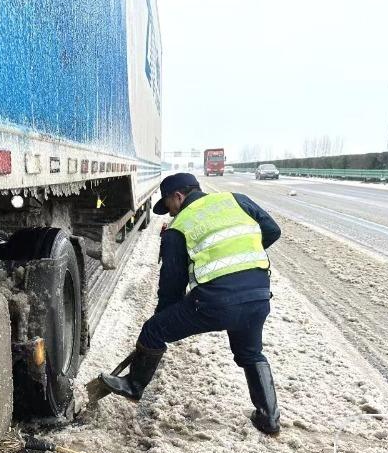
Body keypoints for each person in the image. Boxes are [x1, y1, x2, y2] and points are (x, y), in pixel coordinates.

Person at [99, 172, 283, 435]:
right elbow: (273, 231)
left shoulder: (180, 227)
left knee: (154, 330)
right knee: (250, 353)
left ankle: (134, 385)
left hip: (215, 303)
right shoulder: (237, 201)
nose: (170, 214)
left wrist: (158, 322)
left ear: (179, 196)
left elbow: (171, 288)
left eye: (169, 206)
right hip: (257, 296)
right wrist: (242, 257)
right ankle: (269, 419)